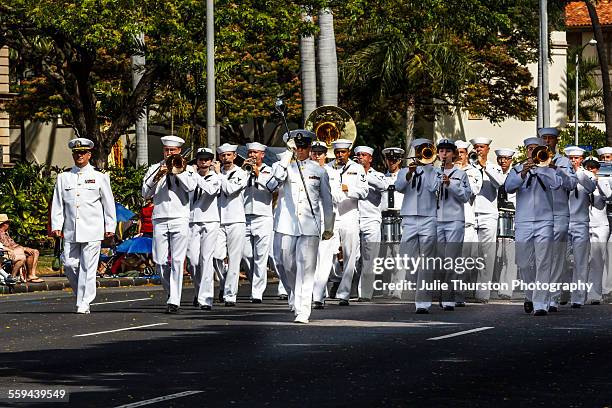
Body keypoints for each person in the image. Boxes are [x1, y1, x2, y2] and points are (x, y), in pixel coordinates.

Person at [267, 130, 334, 323]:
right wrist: (287, 155)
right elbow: (272, 184)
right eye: (298, 147)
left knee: (306, 268)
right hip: (286, 224)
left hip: (309, 225)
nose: (301, 151)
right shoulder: (285, 167)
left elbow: (327, 201)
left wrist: (328, 226)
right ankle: (294, 295)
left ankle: (303, 309)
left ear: (310, 148)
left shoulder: (319, 171)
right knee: (285, 265)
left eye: (304, 147)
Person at [51, 138, 116, 314]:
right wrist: (56, 224)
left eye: (82, 153)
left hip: (92, 229)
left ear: (89, 154)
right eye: (76, 153)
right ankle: (81, 295)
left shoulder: (99, 176)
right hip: (71, 229)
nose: (79, 155)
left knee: (88, 267)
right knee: (70, 265)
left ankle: (84, 302)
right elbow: (58, 203)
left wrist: (110, 226)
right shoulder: (64, 177)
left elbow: (108, 203)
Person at [505, 137, 562, 316]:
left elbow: (557, 184)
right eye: (529, 149)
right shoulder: (517, 168)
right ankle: (530, 294)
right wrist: (523, 173)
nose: (532, 151)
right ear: (526, 151)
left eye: (535, 148)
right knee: (523, 263)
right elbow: (508, 187)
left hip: (545, 220)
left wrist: (544, 169)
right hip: (523, 221)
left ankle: (540, 303)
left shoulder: (549, 168)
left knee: (543, 261)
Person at [142, 135, 196, 314]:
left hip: (180, 217)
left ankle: (175, 299)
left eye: (173, 151)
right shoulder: (154, 168)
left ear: (179, 151)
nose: (169, 153)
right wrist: (159, 174)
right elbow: (145, 193)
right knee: (159, 261)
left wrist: (177, 172)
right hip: (159, 217)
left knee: (178, 260)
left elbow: (190, 188)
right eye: (167, 150)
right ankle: (171, 292)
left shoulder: (188, 169)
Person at [395, 138, 442, 314]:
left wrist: (427, 168)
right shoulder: (405, 170)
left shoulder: (435, 171)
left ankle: (422, 302)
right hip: (409, 218)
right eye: (418, 150)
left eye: (424, 150)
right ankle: (418, 285)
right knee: (407, 258)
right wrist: (410, 174)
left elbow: (432, 188)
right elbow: (399, 187)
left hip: (429, 217)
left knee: (427, 260)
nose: (421, 153)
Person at [325, 139, 368, 305]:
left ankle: (344, 293)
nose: (340, 155)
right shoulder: (327, 168)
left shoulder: (357, 169)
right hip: (332, 215)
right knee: (328, 253)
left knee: (350, 255)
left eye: (343, 152)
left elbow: (364, 191)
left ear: (348, 152)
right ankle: (335, 278)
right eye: (337, 152)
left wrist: (348, 189)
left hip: (350, 215)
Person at [538, 127, 577, 309]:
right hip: (539, 214)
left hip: (560, 214)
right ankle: (539, 295)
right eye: (544, 138)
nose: (547, 142)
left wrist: (557, 169)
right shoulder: (535, 160)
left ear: (556, 141)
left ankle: (552, 297)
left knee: (557, 257)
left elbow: (571, 184)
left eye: (550, 138)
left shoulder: (563, 162)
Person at [469, 137, 506, 303]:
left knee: (486, 255)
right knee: (469, 253)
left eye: (482, 147)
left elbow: (500, 183)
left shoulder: (494, 167)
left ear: (488, 150)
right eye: (476, 147)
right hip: (470, 214)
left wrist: (485, 167)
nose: (478, 150)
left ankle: (482, 293)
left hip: (488, 215)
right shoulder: (468, 167)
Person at [435, 139, 471, 310]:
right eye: (441, 151)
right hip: (436, 219)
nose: (444, 154)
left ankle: (450, 296)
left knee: (451, 259)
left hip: (455, 220)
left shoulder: (460, 174)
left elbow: (465, 196)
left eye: (447, 151)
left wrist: (450, 185)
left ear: (453, 154)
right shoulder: (433, 172)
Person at [213, 143, 248, 306]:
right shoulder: (215, 174)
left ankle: (230, 294)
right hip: (218, 219)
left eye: (229, 155)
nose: (225, 158)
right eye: (223, 156)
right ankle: (224, 282)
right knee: (216, 256)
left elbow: (230, 190)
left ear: (234, 156)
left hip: (236, 219)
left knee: (234, 259)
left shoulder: (241, 173)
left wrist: (219, 174)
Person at [187, 147, 221, 310]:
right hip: (192, 221)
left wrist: (193, 175)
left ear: (211, 161)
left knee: (206, 259)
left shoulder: (215, 177)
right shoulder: (190, 176)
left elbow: (210, 190)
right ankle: (198, 290)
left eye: (207, 159)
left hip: (210, 221)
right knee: (193, 261)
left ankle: (206, 298)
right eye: (200, 159)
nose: (203, 162)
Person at [311, 141, 343, 309]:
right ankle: (312, 292)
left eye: (320, 153)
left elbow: (339, 197)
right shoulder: (304, 170)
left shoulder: (332, 173)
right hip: (308, 221)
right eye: (314, 152)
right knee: (309, 259)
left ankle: (317, 296)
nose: (317, 156)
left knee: (323, 260)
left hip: (326, 221)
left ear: (325, 155)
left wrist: (327, 189)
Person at [242, 142, 275, 303]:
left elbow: (272, 188)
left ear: (262, 154)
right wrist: (243, 172)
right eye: (250, 152)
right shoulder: (242, 170)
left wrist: (257, 174)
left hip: (263, 216)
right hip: (244, 215)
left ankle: (257, 292)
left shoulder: (270, 170)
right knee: (246, 255)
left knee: (261, 257)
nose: (252, 155)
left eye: (255, 153)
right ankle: (255, 282)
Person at [354, 145, 388, 301]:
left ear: (370, 159)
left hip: (371, 219)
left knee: (370, 258)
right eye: (358, 155)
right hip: (353, 218)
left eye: (364, 155)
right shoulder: (350, 172)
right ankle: (342, 284)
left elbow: (383, 186)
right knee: (353, 258)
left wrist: (363, 175)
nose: (360, 157)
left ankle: (365, 293)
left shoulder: (378, 175)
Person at [565, 146, 597, 309]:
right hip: (564, 222)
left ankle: (578, 297)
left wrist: (578, 172)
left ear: (581, 159)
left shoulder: (588, 175)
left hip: (581, 222)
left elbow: (591, 188)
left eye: (576, 158)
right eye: (571, 158)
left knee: (580, 261)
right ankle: (561, 294)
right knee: (561, 260)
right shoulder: (562, 174)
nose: (573, 161)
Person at [454, 141, 482, 306]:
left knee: (464, 261)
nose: (459, 155)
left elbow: (473, 191)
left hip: (466, 219)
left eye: (462, 152)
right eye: (456, 152)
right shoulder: (445, 170)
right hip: (448, 219)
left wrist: (459, 174)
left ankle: (459, 294)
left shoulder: (474, 172)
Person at [584, 157, 612, 304]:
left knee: (597, 260)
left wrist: (598, 182)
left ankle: (595, 294)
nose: (590, 170)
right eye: (587, 168)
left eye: (593, 168)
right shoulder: (580, 182)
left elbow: (608, 196)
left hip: (600, 225)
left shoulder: (603, 182)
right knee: (581, 260)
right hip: (583, 225)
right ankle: (580, 292)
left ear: (597, 169)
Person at [380, 147, 405, 299]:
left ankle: (397, 289)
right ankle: (386, 287)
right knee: (386, 255)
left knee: (398, 254)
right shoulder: (382, 177)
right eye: (389, 159)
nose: (392, 162)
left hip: (399, 216)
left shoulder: (404, 178)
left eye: (395, 160)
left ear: (400, 160)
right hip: (384, 218)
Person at [494, 148, 517, 300]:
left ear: (511, 160)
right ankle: (500, 285)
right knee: (498, 256)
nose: (503, 161)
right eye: (500, 158)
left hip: (512, 215)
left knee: (510, 256)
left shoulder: (515, 174)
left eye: (506, 159)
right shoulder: (494, 172)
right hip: (496, 215)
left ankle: (507, 288)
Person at [0, 214, 44, 283]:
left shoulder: (6, 233)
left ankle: (31, 274)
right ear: (3, 224)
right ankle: (23, 276)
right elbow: (6, 246)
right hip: (8, 252)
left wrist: (23, 248)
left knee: (35, 251)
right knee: (24, 252)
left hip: (14, 249)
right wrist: (23, 249)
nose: (9, 224)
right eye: (7, 223)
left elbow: (13, 244)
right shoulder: (0, 233)